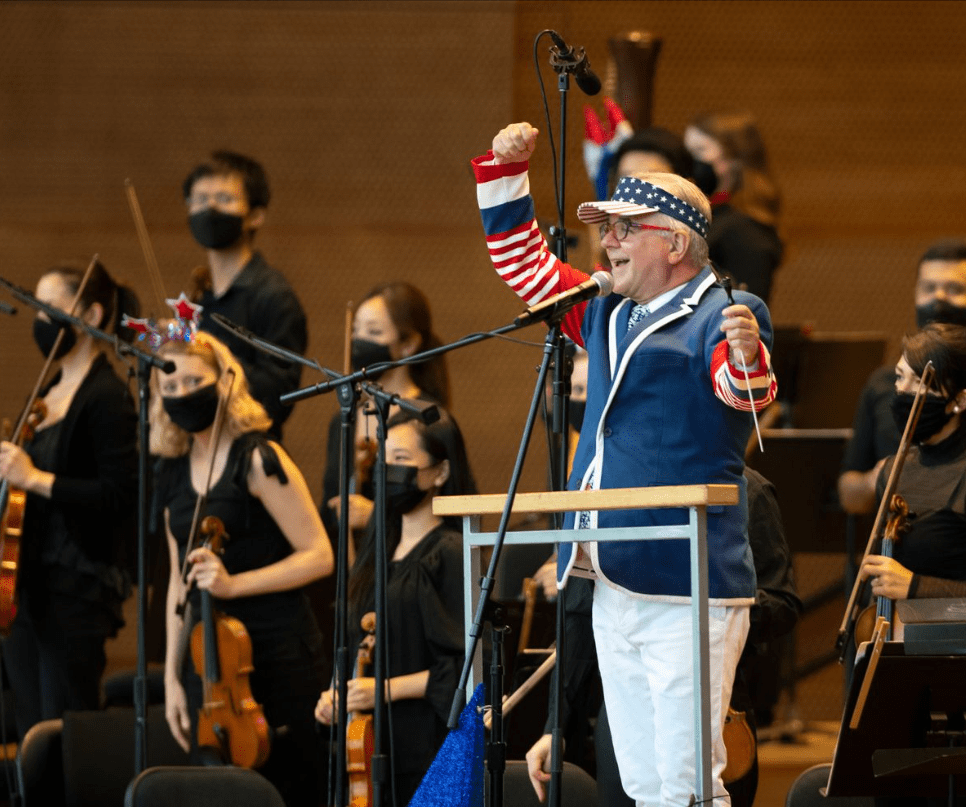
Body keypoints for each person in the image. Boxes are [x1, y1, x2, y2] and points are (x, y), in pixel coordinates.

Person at [474, 122, 776, 806]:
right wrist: (503, 170)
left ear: (673, 243)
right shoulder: (609, 313)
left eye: (623, 227)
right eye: (605, 227)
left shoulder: (726, 311)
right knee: (643, 784)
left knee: (688, 784)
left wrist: (750, 355)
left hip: (687, 579)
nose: (606, 240)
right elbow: (524, 265)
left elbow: (742, 392)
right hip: (614, 575)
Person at [525, 467, 801, 807]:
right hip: (625, 711)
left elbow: (783, 603)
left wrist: (712, 611)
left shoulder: (748, 489)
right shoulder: (609, 489)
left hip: (714, 704)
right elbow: (581, 613)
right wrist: (556, 727)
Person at [149, 314, 333, 807]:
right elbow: (177, 585)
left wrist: (233, 585)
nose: (182, 392)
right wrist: (169, 678)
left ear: (224, 384)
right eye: (171, 383)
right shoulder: (169, 473)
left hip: (279, 652)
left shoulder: (258, 457)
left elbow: (319, 555)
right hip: (208, 662)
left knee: (290, 787)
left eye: (194, 381)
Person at [0, 261, 139, 738]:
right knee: (28, 726)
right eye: (35, 307)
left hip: (76, 586)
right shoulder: (49, 389)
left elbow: (119, 494)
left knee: (63, 725)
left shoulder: (107, 396)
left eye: (50, 307)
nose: (40, 318)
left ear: (92, 314)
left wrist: (35, 477)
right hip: (25, 582)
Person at [315, 410, 473, 806]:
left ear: (439, 473)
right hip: (368, 747)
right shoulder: (376, 551)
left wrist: (380, 690)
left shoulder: (451, 552)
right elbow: (357, 640)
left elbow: (461, 671)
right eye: (384, 458)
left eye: (401, 460)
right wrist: (338, 692)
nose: (387, 469)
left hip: (428, 748)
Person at [320, 281, 476, 553]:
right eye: (356, 331)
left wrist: (374, 516)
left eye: (374, 332)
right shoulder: (344, 419)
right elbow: (328, 506)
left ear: (409, 344)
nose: (359, 341)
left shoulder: (429, 417)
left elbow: (460, 513)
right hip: (356, 570)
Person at [183, 150, 308, 437]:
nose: (210, 209)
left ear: (255, 216)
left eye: (225, 199)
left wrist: (211, 362)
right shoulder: (199, 295)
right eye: (200, 200)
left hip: (247, 452)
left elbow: (278, 396)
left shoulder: (274, 296)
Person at [839, 239, 966, 515]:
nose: (938, 299)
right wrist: (877, 478)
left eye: (955, 289)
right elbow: (850, 492)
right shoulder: (884, 384)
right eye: (929, 288)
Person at [857, 323, 966, 604]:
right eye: (899, 377)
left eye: (919, 382)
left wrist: (917, 586)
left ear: (960, 400)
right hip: (897, 640)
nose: (902, 391)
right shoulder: (895, 471)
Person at [683, 111, 783, 304]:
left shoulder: (746, 231)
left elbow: (747, 307)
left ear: (735, 158)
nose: (690, 163)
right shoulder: (707, 214)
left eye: (699, 151)